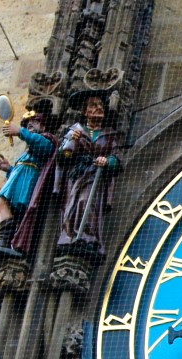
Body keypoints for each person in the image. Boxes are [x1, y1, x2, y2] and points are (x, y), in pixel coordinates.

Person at [56, 90, 122, 257]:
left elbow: (118, 159)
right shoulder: (75, 131)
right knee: (73, 205)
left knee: (88, 202)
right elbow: (63, 158)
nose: (98, 108)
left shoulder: (109, 135)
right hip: (76, 176)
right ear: (85, 111)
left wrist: (107, 161)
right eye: (93, 105)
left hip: (96, 175)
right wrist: (72, 140)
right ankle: (71, 236)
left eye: (100, 105)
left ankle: (88, 237)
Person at [0, 110, 55, 257]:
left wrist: (20, 131)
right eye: (27, 124)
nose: (30, 125)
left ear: (43, 126)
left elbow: (46, 148)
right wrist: (8, 169)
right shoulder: (28, 149)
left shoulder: (46, 139)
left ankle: (14, 243)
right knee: (1, 201)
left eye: (34, 123)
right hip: (18, 178)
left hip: (29, 179)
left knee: (19, 210)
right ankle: (4, 239)